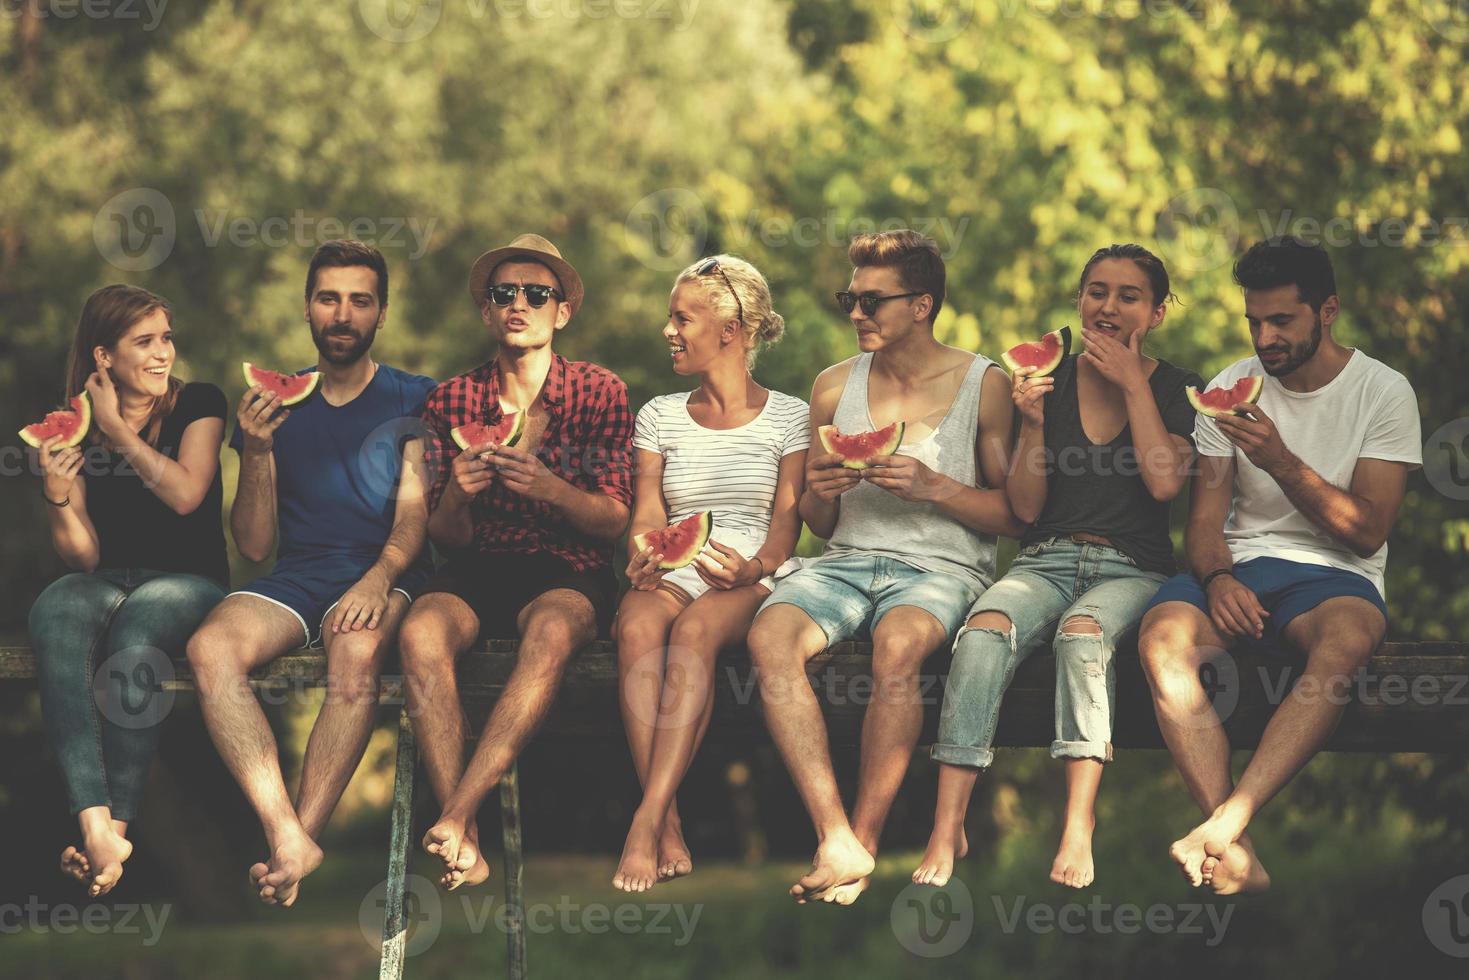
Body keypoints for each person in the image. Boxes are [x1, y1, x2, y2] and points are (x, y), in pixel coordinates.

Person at [746, 229, 1024, 905]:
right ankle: (833, 833)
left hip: (941, 568)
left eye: (872, 300)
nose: (855, 313)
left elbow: (1016, 516)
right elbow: (818, 522)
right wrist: (821, 491)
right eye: (850, 298)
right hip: (840, 563)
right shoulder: (832, 386)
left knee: (897, 646)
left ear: (921, 304)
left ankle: (862, 844)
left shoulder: (984, 384)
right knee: (767, 639)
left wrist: (937, 487)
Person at [1137, 236, 1422, 895]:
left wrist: (1280, 461)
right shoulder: (1224, 389)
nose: (1264, 337)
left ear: (1326, 312)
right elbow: (1203, 524)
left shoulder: (1383, 391)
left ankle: (1225, 823)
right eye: (1253, 322)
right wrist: (1217, 578)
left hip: (1334, 581)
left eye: (1280, 321)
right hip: (1239, 570)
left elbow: (1367, 531)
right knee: (1159, 639)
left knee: (1347, 641)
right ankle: (1232, 847)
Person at [913, 244, 1202, 890]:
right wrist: (1033, 423)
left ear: (1154, 313)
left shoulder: (1178, 387)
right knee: (982, 631)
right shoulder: (1048, 381)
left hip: (1132, 569)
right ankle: (946, 823)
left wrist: (1132, 384)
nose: (1107, 305)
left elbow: (1163, 485)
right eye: (1095, 291)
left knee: (1081, 638)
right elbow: (1021, 507)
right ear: (1078, 300)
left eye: (1127, 295)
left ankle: (1077, 823)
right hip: (1042, 560)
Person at [186, 240, 436, 907]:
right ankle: (284, 832)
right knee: (209, 647)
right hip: (296, 579)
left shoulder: (415, 398)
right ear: (308, 308)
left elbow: (414, 517)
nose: (343, 314)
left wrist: (378, 578)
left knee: (354, 649)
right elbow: (255, 543)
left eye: (360, 300)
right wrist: (260, 451)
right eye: (329, 298)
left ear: (380, 313)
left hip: (386, 574)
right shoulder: (270, 410)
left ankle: (300, 840)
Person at [400, 234, 633, 890]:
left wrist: (548, 487)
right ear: (487, 312)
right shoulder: (450, 402)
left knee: (553, 631)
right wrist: (456, 495)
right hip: (481, 564)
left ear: (561, 312)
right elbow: (447, 537)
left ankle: (456, 814)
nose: (520, 304)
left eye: (537, 294)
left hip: (568, 566)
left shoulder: (599, 391)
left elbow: (615, 518)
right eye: (504, 294)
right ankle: (464, 841)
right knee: (419, 632)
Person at [611, 255, 808, 893]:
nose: (668, 330)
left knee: (694, 634)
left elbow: (785, 529)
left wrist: (754, 567)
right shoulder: (659, 415)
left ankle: (643, 820)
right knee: (636, 625)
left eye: (682, 318)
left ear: (730, 330)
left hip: (752, 574)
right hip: (674, 565)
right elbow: (648, 510)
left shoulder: (790, 417)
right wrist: (645, 549)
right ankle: (666, 820)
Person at [28, 284, 228, 897]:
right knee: (56, 606)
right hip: (107, 581)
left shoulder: (200, 402)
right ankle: (93, 824)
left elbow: (187, 493)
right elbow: (83, 553)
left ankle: (116, 826)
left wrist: (116, 429)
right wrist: (59, 497)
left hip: (189, 583)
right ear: (103, 357)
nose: (163, 351)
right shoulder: (74, 423)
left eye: (165, 337)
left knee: (138, 624)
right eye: (144, 341)